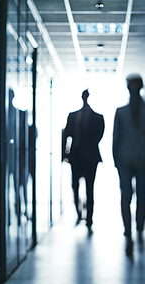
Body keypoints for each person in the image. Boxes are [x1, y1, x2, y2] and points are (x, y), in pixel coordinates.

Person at [113, 74, 145, 254]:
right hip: (142, 158)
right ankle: (137, 228)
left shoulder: (123, 111)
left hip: (128, 159)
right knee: (139, 196)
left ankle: (130, 230)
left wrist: (116, 159)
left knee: (127, 197)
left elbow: (116, 138)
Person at [63, 89, 105, 233]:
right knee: (74, 185)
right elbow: (66, 134)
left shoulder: (97, 117)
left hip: (90, 156)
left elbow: (99, 135)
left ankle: (89, 218)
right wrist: (65, 153)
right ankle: (79, 211)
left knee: (89, 188)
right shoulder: (73, 116)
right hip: (76, 156)